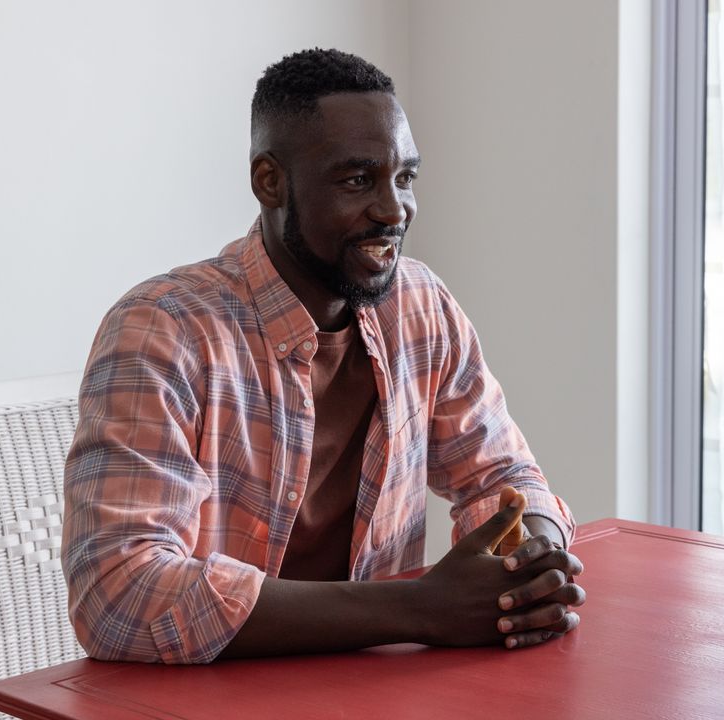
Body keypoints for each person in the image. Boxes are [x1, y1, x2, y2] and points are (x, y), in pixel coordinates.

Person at [62, 48, 585, 664]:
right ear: (269, 181)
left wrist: (531, 567)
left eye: (405, 177)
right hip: (202, 699)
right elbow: (117, 593)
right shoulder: (163, 330)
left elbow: (506, 480)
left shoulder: (419, 305)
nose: (394, 210)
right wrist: (420, 609)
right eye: (357, 180)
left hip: (370, 692)